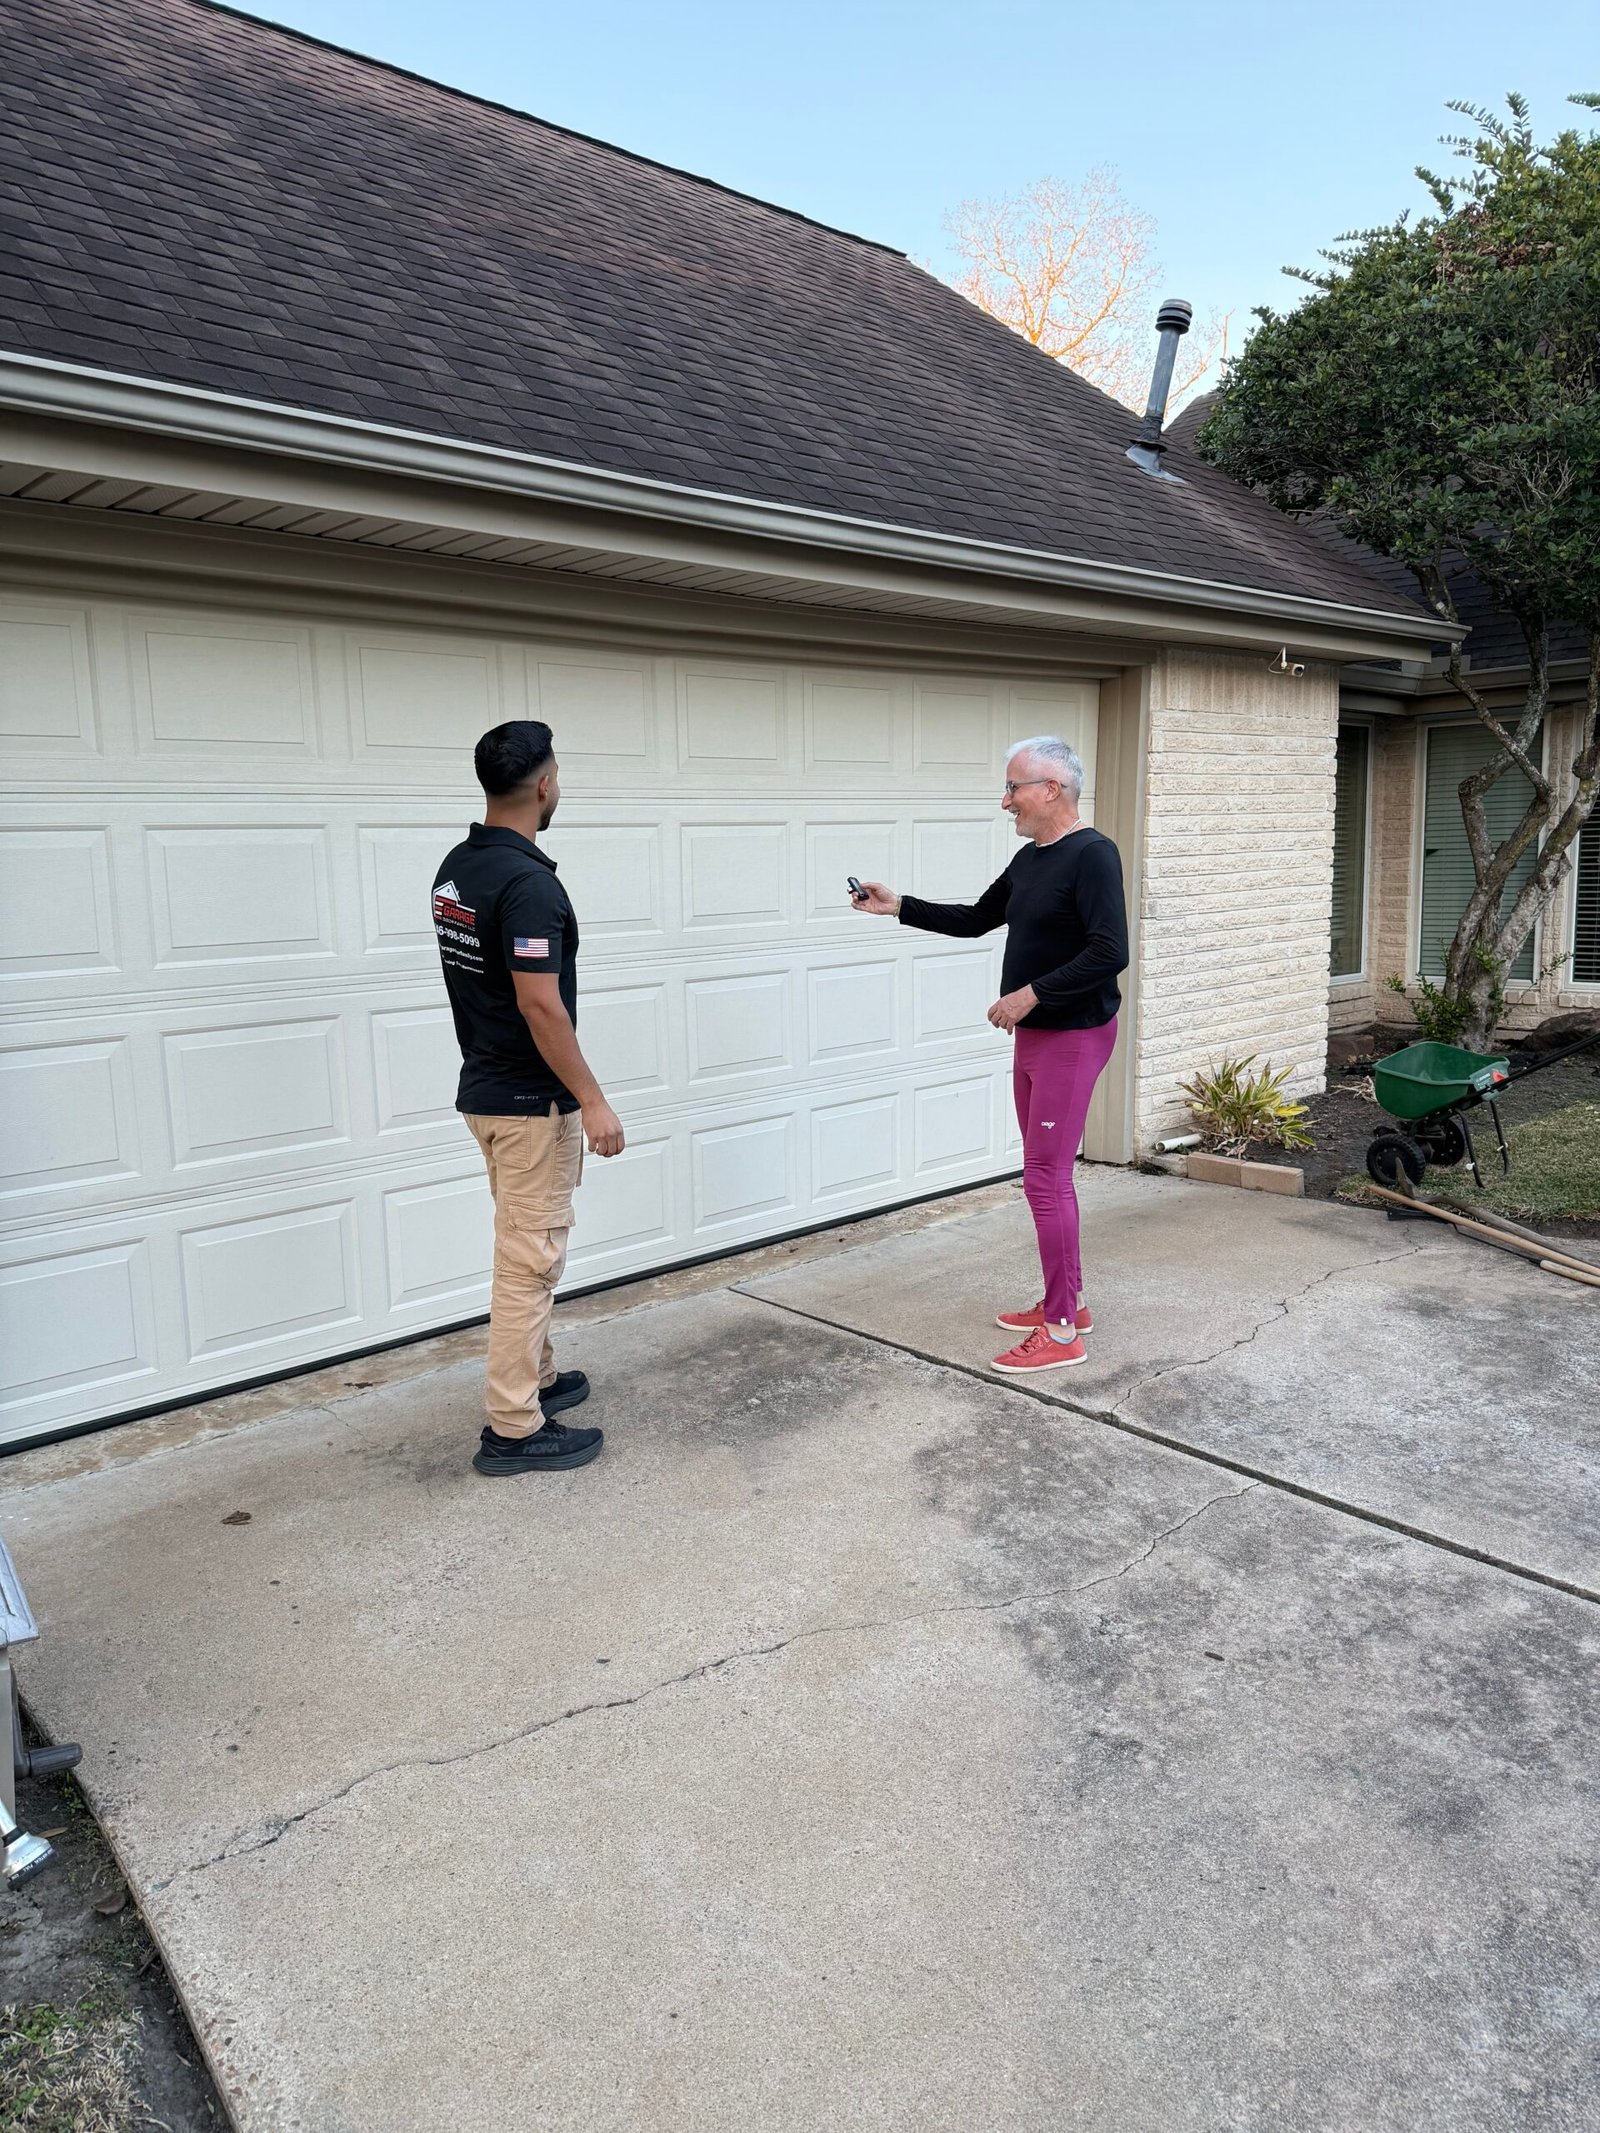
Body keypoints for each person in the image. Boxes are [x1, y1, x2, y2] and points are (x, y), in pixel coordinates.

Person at [853, 736, 1128, 1374]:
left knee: (1045, 1179)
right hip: (1036, 1036)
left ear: (1051, 790)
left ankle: (1062, 1334)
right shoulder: (1031, 859)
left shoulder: (1093, 855)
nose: (1005, 801)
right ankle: (1068, 1303)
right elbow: (979, 917)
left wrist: (1031, 994)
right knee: (1044, 1175)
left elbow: (1109, 951)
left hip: (1072, 1035)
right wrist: (900, 906)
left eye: (1013, 788)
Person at [433, 721, 625, 1477]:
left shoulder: (458, 869)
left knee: (523, 1244)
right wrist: (593, 1100)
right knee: (529, 1263)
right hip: (527, 1105)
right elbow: (540, 1005)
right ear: (545, 784)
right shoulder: (530, 885)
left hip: (487, 1092)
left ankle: (537, 1378)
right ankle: (513, 1428)